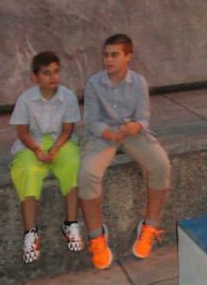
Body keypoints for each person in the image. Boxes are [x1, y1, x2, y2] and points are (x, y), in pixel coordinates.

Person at [79, 34, 171, 270]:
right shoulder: (93, 84)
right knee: (87, 174)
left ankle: (149, 227)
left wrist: (135, 127)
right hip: (103, 135)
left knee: (161, 165)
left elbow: (143, 117)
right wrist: (109, 133)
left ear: (128, 56)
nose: (108, 60)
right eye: (105, 55)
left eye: (114, 55)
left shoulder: (138, 82)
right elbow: (91, 120)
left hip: (132, 133)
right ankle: (96, 236)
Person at [9, 51, 83, 264]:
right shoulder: (26, 99)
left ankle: (71, 223)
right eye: (46, 73)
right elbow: (22, 132)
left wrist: (56, 148)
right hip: (32, 142)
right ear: (35, 76)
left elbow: (68, 129)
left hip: (61, 141)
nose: (53, 77)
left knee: (73, 164)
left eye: (56, 72)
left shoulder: (67, 96)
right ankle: (30, 232)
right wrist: (37, 150)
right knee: (27, 170)